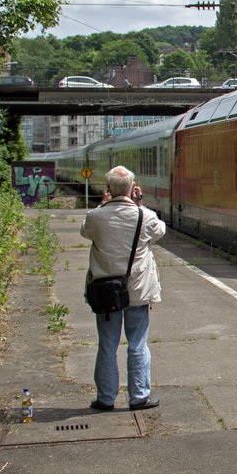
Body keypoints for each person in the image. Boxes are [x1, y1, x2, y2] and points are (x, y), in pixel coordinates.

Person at [80, 166, 167, 411]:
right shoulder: (143, 215)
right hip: (137, 292)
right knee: (138, 343)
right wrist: (138, 203)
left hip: (105, 291)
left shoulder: (95, 216)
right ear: (132, 188)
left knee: (107, 344)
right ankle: (139, 396)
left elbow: (85, 231)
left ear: (107, 190)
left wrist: (102, 205)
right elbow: (160, 230)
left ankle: (106, 398)